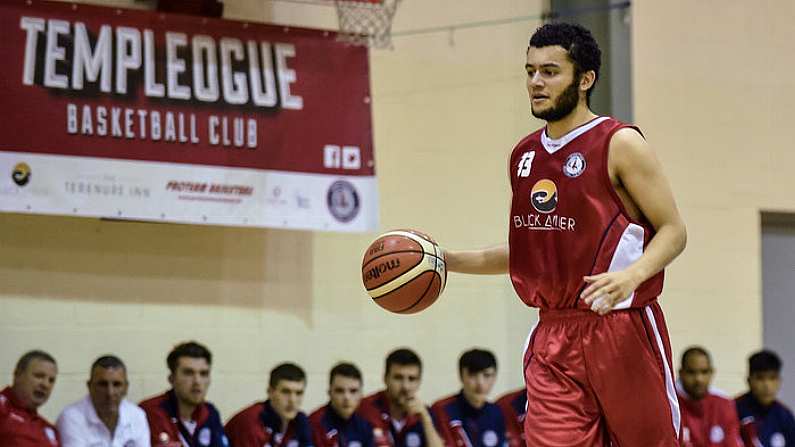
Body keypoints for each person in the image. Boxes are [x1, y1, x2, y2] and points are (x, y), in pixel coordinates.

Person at [442, 22, 688, 446]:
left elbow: (674, 231)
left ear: (585, 79)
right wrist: (445, 260)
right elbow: (529, 249)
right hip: (554, 336)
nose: (536, 82)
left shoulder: (619, 142)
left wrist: (631, 276)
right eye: (530, 70)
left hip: (621, 327)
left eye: (550, 71)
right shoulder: (524, 155)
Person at [139, 341, 228, 447]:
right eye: (188, 373)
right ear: (171, 379)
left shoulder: (210, 412)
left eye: (203, 374)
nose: (197, 381)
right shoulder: (149, 412)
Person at [57, 355, 151, 446]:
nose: (110, 392)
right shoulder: (72, 417)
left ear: (126, 388)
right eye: (102, 384)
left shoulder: (136, 415)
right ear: (89, 386)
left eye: (117, 384)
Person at [359, 348, 443, 447]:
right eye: (398, 378)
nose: (405, 386)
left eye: (412, 379)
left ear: (419, 382)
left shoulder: (425, 414)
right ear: (385, 378)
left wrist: (426, 420)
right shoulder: (365, 408)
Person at [225, 362, 314, 447]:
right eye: (286, 392)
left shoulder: (300, 422)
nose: (292, 400)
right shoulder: (251, 423)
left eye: (299, 393)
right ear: (270, 392)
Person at [431, 349, 506, 447]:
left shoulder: (496, 413)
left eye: (487, 375)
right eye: (473, 375)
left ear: (495, 377)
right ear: (461, 376)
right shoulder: (442, 410)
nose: (480, 383)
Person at [676, 347, 742, 447]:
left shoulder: (724, 404)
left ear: (711, 372)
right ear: (681, 373)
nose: (699, 379)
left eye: (704, 372)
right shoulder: (670, 404)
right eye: (691, 372)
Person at [310, 362, 386, 447]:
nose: (347, 397)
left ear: (361, 394)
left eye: (353, 391)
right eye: (340, 391)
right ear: (329, 392)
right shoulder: (314, 424)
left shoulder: (366, 423)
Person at [0, 350, 60, 446]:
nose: (45, 384)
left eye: (51, 380)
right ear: (18, 375)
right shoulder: (2, 409)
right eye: (39, 376)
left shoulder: (49, 430)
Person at [736, 350, 795, 447]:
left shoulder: (785, 416)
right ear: (749, 381)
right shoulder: (732, 410)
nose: (767, 385)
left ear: (779, 381)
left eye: (772, 378)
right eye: (760, 378)